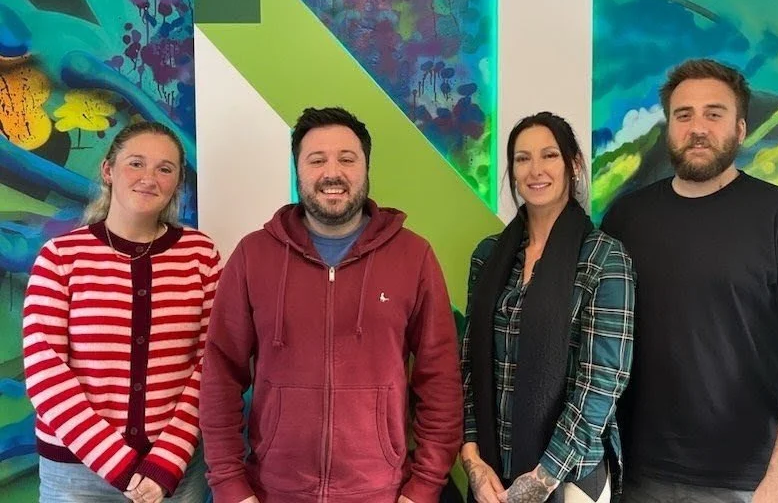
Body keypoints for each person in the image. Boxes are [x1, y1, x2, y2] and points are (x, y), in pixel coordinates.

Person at [199, 106, 462, 503]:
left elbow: (440, 381)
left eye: (347, 159)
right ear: (298, 170)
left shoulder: (414, 256)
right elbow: (220, 375)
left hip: (382, 494)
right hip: (273, 493)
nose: (332, 173)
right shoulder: (253, 255)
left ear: (367, 168)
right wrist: (230, 486)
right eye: (317, 160)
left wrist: (423, 488)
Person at [601, 58, 778, 503]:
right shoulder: (626, 218)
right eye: (684, 115)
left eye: (714, 114)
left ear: (741, 128)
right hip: (634, 473)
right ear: (669, 127)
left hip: (745, 480)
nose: (697, 128)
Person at [23, 121, 222, 503]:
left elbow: (212, 364)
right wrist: (119, 465)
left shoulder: (201, 256)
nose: (149, 178)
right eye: (136, 163)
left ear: (177, 182)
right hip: (76, 474)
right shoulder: (60, 257)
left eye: (165, 168)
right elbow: (46, 372)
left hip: (175, 472)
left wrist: (167, 460)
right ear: (108, 170)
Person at [460, 112, 635, 503]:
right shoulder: (488, 256)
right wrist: (472, 458)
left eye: (549, 155)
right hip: (492, 472)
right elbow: (469, 365)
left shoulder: (605, 258)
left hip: (570, 476)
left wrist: (541, 479)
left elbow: (602, 384)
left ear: (573, 164)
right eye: (522, 159)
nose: (535, 170)